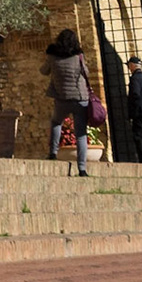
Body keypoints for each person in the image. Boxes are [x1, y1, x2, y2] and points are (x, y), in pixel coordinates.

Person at [45, 28, 93, 177]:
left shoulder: (53, 56)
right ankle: (82, 168)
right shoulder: (79, 56)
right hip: (80, 98)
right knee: (80, 133)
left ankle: (53, 153)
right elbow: (86, 72)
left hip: (62, 98)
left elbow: (44, 71)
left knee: (56, 122)